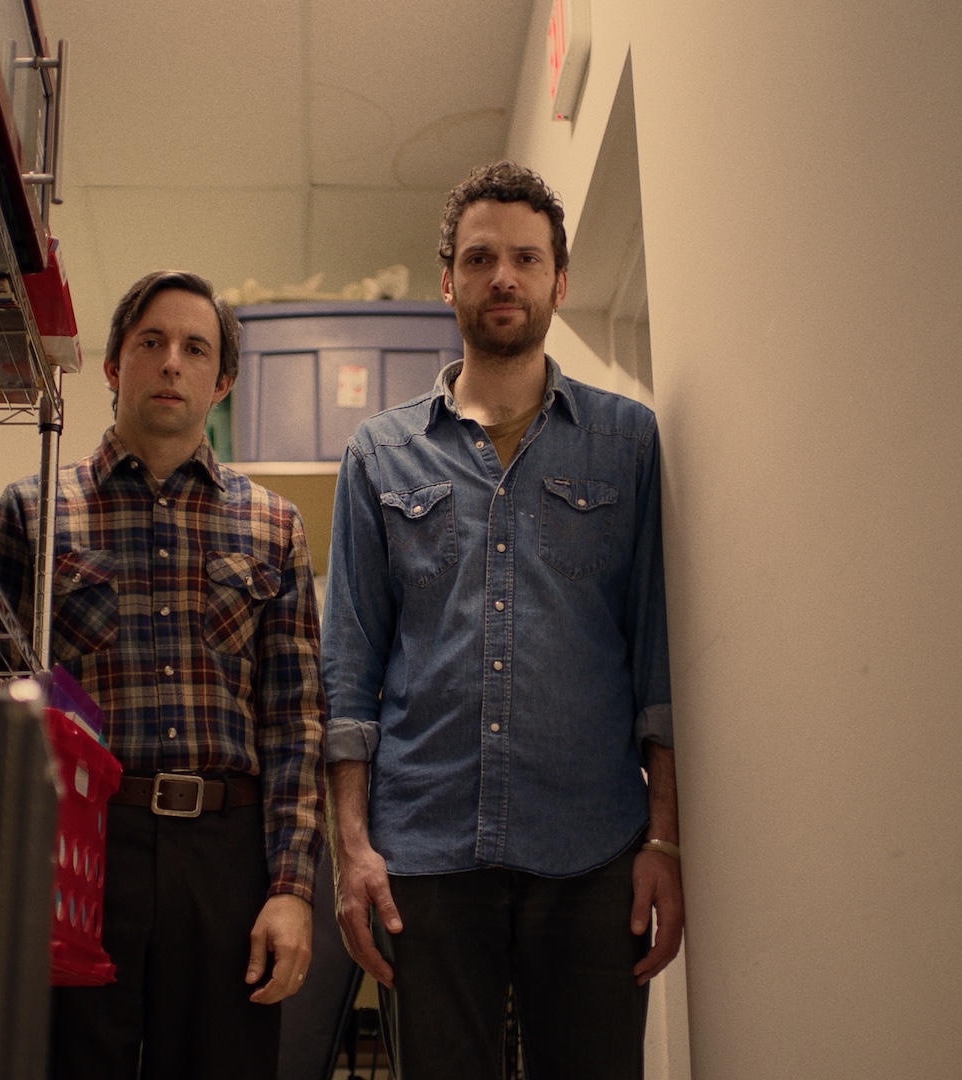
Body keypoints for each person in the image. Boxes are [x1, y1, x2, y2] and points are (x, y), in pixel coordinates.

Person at [320, 161, 685, 1079]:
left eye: (527, 258)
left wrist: (665, 840)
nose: (504, 278)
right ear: (447, 281)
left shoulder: (628, 442)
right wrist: (353, 849)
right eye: (480, 258)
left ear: (560, 281)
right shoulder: (379, 453)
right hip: (424, 859)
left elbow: (660, 664)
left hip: (594, 849)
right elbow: (350, 668)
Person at [0, 270, 326, 1079]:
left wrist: (292, 889)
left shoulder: (274, 526)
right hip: (82, 852)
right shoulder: (32, 512)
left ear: (223, 380)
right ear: (113, 366)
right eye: (151, 343)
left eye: (195, 348)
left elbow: (297, 720)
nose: (172, 362)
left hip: (227, 857)